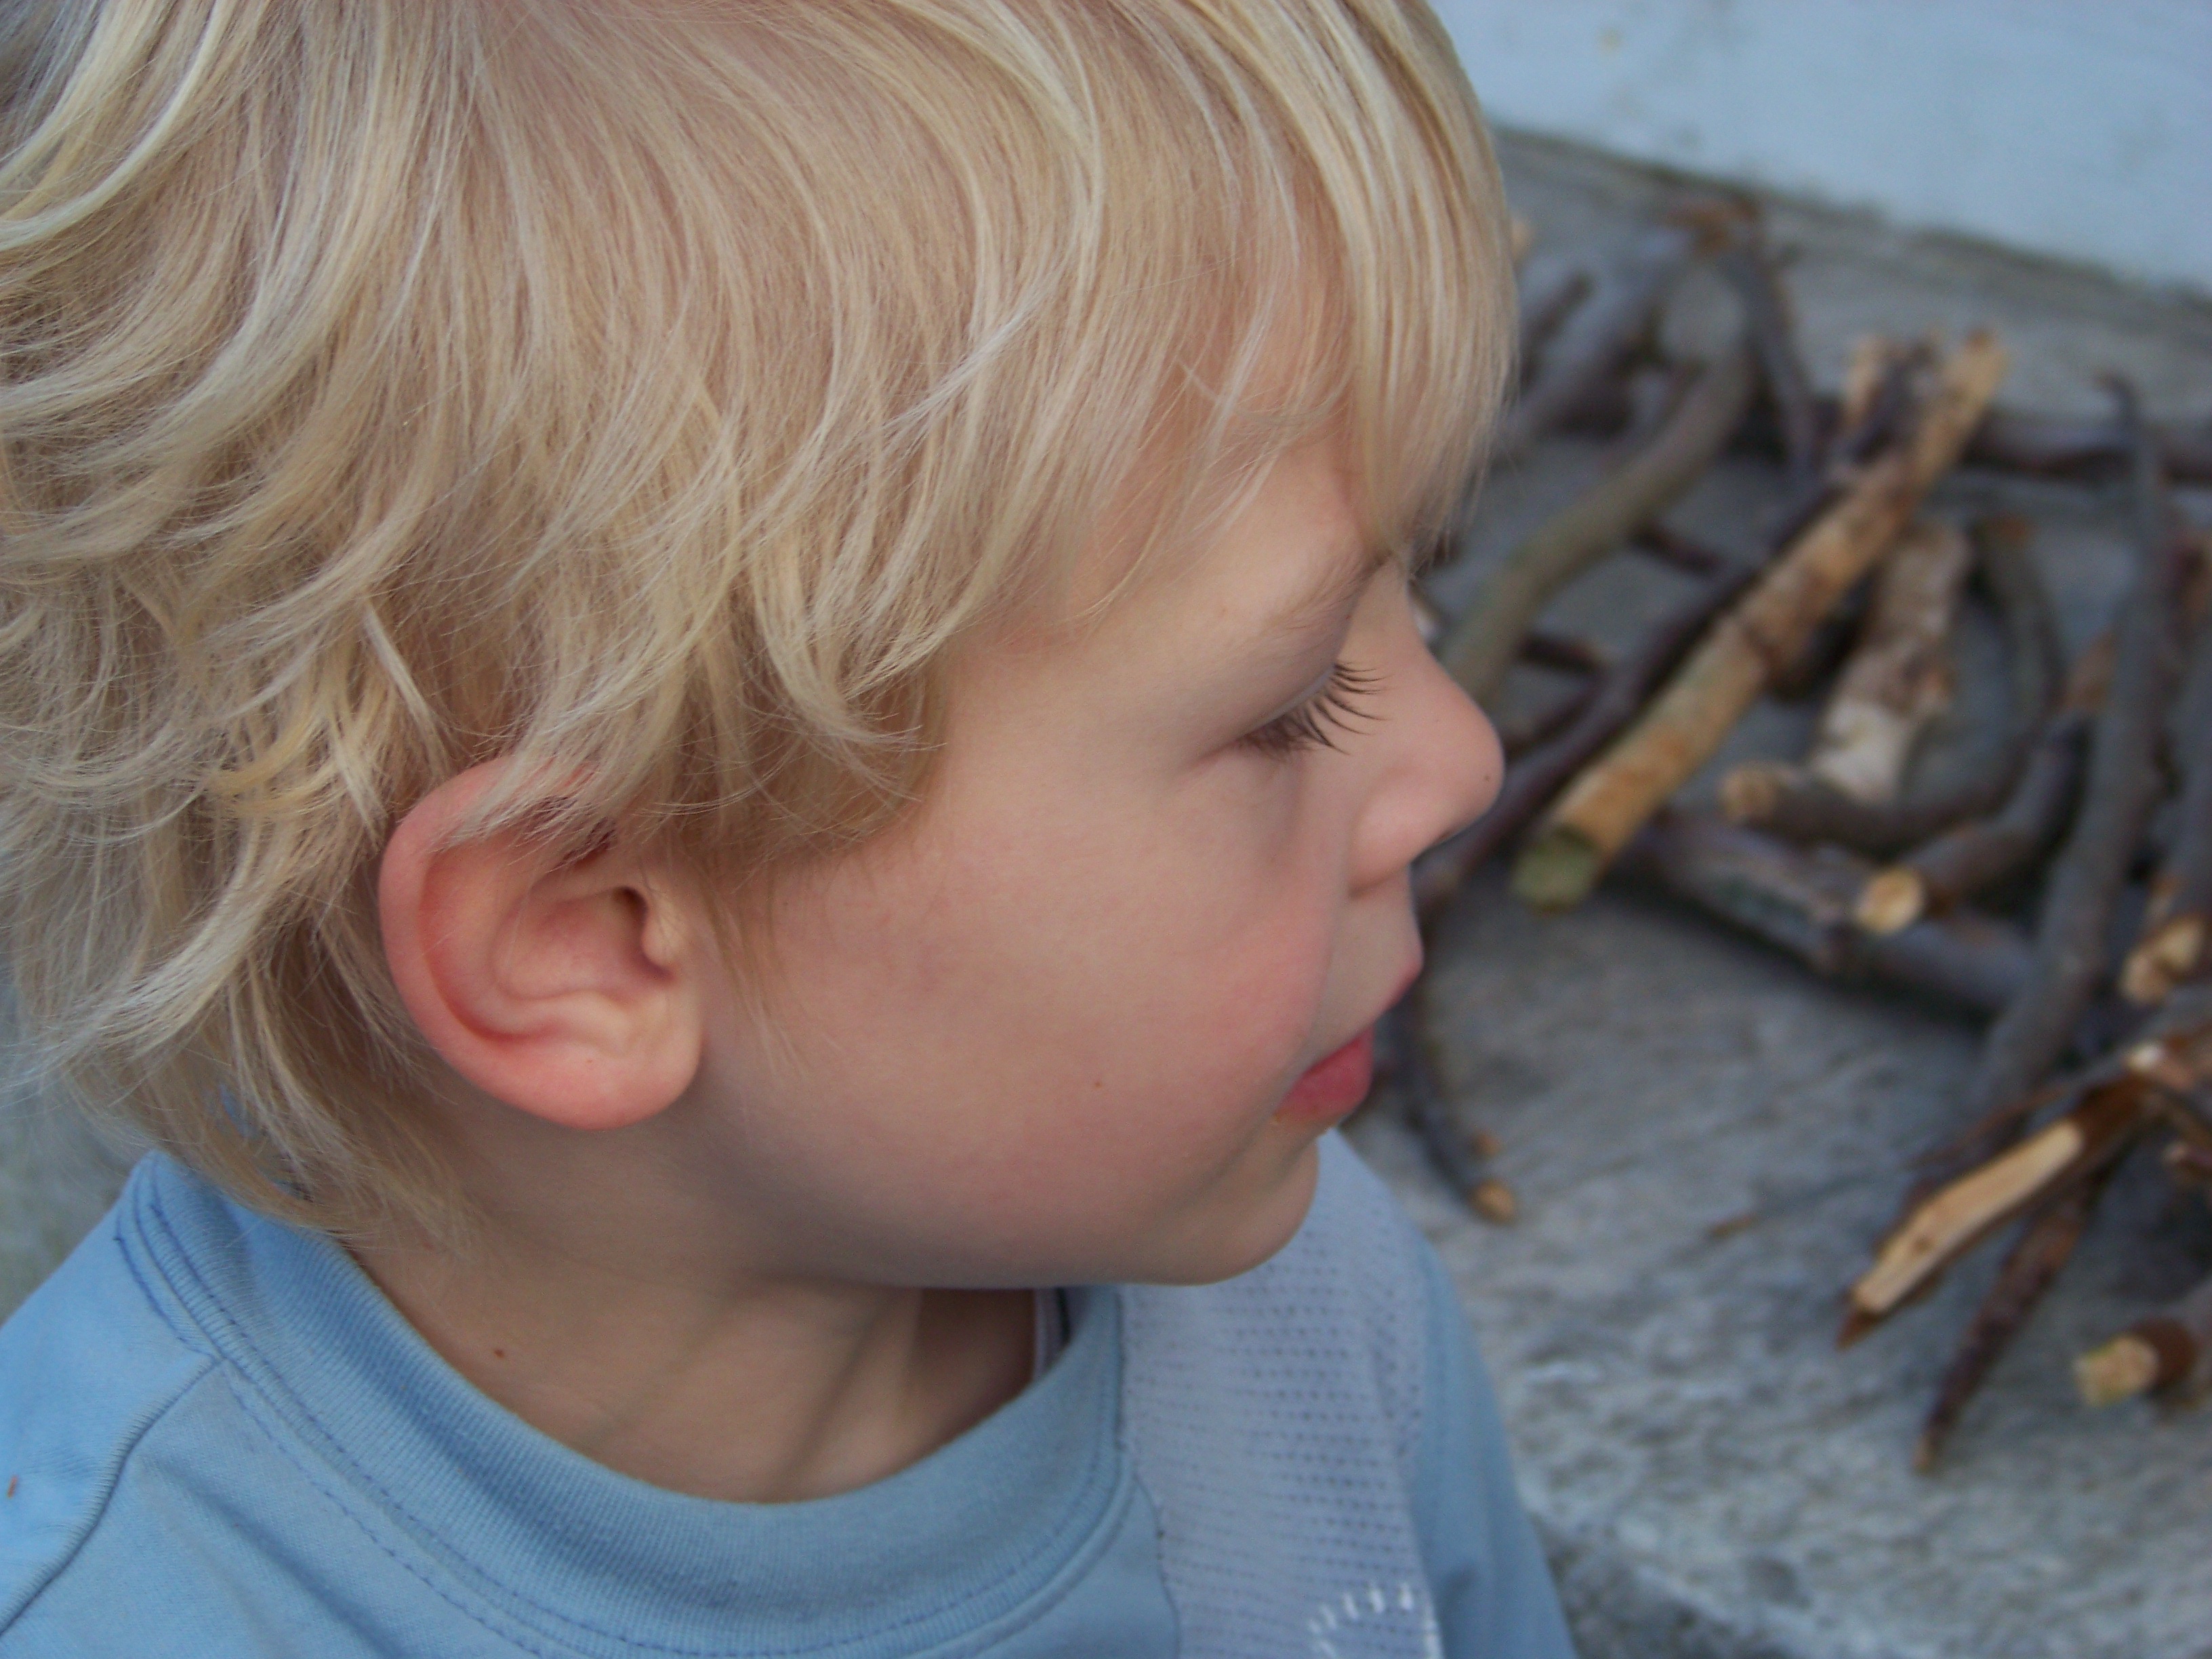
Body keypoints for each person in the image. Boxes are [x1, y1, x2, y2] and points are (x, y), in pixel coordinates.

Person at [0, 3, 1574, 1654]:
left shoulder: (1314, 1331)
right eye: (1290, 707)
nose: (1461, 763)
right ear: (590, 941)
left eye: (1420, 586)